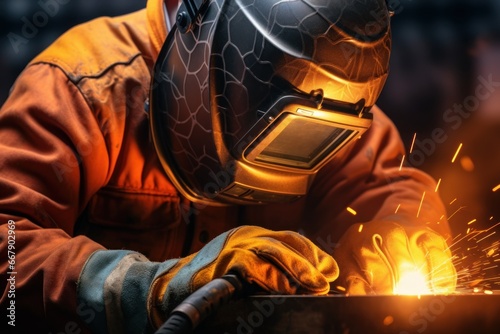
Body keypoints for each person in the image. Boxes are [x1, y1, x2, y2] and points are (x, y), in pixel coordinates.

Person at [0, 0, 456, 333]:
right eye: (271, 97)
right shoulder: (83, 89)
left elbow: (392, 193)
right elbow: (10, 252)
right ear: (201, 30)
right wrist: (148, 288)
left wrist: (401, 236)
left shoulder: (339, 101)